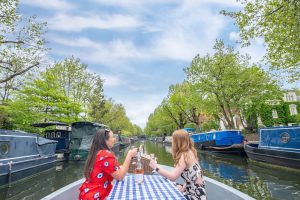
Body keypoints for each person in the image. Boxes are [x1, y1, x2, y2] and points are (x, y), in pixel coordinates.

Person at [79, 128, 137, 200]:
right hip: (97, 196)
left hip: (87, 193)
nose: (115, 139)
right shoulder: (106, 155)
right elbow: (120, 176)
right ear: (105, 140)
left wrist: (121, 167)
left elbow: (110, 170)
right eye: (112, 137)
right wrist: (129, 155)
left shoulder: (96, 153)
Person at [149, 129, 206, 200]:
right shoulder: (192, 152)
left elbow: (173, 177)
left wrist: (156, 167)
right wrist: (183, 189)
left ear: (177, 142)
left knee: (164, 191)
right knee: (172, 186)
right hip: (200, 194)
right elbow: (193, 177)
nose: (172, 142)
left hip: (194, 196)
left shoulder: (184, 156)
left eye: (173, 140)